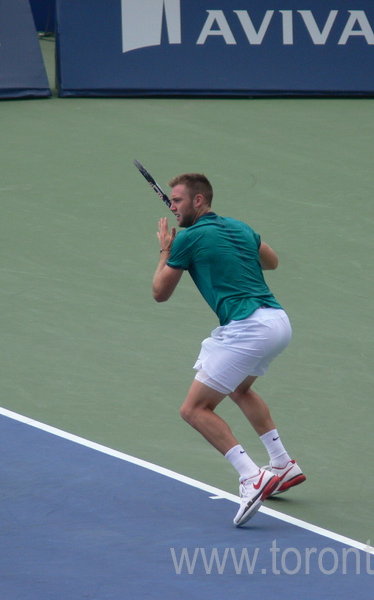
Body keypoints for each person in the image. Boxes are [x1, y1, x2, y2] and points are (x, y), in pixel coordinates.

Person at [152, 173, 305, 526]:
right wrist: (228, 247)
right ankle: (281, 464)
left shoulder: (187, 238)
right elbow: (272, 262)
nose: (172, 206)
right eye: (170, 201)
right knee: (239, 388)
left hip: (248, 327)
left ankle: (252, 476)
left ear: (199, 202)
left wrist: (166, 249)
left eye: (177, 200)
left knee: (194, 409)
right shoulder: (239, 227)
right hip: (278, 322)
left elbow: (160, 292)